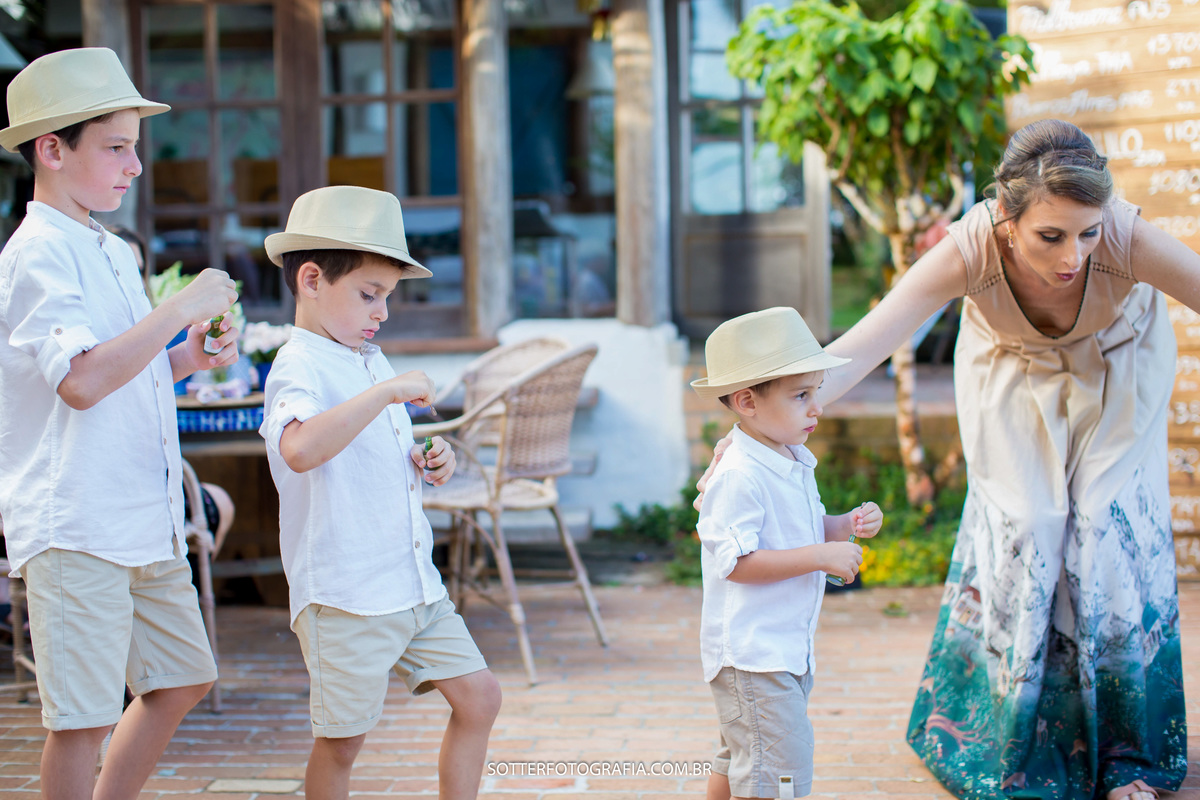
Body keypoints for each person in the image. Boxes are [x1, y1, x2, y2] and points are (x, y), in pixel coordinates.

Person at [695, 119, 1195, 800]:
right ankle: (1012, 740)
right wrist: (755, 432)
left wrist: (1102, 239)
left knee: (1104, 529)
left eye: (1087, 232)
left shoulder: (1126, 236)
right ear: (1006, 221)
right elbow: (863, 346)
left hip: (1119, 361)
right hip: (1008, 366)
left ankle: (1128, 757)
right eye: (1051, 236)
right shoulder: (967, 247)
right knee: (1029, 523)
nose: (1073, 254)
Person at [0, 48, 240, 800]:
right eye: (116, 147)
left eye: (134, 146)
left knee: (182, 677)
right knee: (81, 719)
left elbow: (117, 372)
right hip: (76, 520)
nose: (135, 166)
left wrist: (185, 359)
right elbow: (79, 382)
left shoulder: (110, 248)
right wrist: (176, 311)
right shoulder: (36, 254)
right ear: (51, 149)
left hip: (140, 512)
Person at [258, 185, 502, 800]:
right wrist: (387, 394)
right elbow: (301, 449)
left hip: (412, 581)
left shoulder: (368, 357)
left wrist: (429, 458)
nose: (382, 313)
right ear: (311, 280)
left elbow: (378, 455)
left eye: (387, 298)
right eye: (369, 296)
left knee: (480, 698)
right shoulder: (299, 364)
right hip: (347, 593)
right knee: (343, 743)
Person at [691, 306, 883, 800]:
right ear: (747, 402)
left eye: (815, 392)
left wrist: (840, 527)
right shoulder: (739, 475)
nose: (816, 407)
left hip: (780, 649)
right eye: (802, 395)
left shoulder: (788, 456)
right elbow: (736, 564)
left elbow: (794, 529)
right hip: (754, 655)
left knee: (742, 757)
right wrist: (820, 556)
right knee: (778, 776)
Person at [109, 224, 237, 555]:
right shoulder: (99, 327)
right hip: (113, 498)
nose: (131, 278)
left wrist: (192, 358)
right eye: (121, 268)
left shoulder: (149, 322)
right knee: (210, 503)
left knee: (213, 503)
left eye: (139, 270)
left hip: (154, 487)